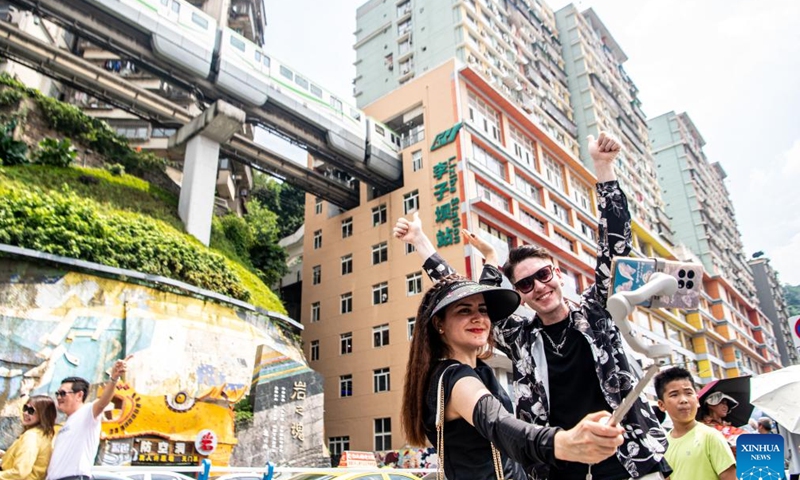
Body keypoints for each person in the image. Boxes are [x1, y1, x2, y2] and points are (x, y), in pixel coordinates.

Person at [395, 132, 671, 480]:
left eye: (543, 275)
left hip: (627, 459)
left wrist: (603, 168)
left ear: (557, 273)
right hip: (558, 466)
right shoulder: (522, 337)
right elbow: (459, 298)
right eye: (525, 283)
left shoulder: (596, 312)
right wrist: (420, 242)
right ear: (520, 293)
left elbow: (614, 249)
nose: (539, 287)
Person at [400, 274, 625, 479]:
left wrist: (489, 258)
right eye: (464, 311)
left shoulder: (477, 371)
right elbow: (499, 424)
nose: (479, 318)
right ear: (439, 324)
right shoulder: (455, 378)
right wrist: (563, 442)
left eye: (484, 310)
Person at [46, 357, 129, 480]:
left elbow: (103, 402)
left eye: (63, 393)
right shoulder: (67, 422)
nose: (59, 397)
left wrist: (114, 378)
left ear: (79, 395)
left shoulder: (87, 412)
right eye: (57, 394)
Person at [654, 366, 735, 480]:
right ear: (662, 405)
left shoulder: (711, 437)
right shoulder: (662, 446)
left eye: (688, 393)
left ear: (697, 400)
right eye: (674, 395)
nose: (683, 400)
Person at [0, 395, 57, 480]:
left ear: (43, 415)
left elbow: (20, 472)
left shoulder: (31, 436)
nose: (25, 413)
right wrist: (5, 455)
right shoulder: (45, 435)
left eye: (31, 411)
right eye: (25, 408)